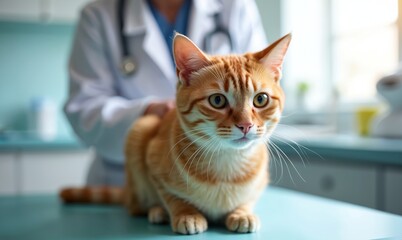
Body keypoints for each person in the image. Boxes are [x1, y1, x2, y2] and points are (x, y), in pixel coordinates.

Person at [64, 0, 267, 186]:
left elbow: (262, 85)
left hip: (223, 175)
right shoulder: (99, 15)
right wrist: (148, 111)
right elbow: (84, 110)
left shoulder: (235, 7)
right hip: (124, 180)